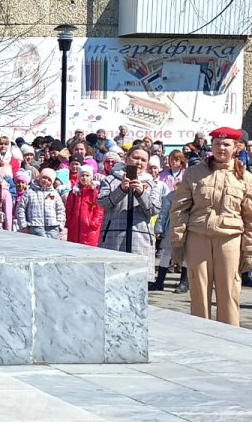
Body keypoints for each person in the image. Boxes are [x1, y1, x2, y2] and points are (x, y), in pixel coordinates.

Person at [168, 127, 252, 325]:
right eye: (217, 144)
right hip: (198, 238)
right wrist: (177, 241)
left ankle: (229, 341)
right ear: (211, 146)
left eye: (226, 145)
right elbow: (179, 209)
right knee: (198, 292)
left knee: (229, 293)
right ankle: (200, 340)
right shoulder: (194, 173)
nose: (221, 148)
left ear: (236, 147)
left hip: (229, 239)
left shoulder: (245, 177)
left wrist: (248, 250)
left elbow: (250, 217)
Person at [99, 145, 162, 283]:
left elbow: (154, 210)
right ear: (126, 158)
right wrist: (121, 189)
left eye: (143, 160)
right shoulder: (110, 180)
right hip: (113, 239)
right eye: (135, 158)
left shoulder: (152, 185)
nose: (139, 162)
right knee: (113, 283)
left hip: (141, 240)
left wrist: (141, 193)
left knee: (137, 285)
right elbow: (102, 203)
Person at [65, 164, 103, 246]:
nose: (84, 178)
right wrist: (69, 222)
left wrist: (94, 223)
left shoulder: (95, 192)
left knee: (89, 249)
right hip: (74, 227)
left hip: (90, 229)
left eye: (87, 175)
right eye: (82, 175)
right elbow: (68, 208)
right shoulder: (74, 192)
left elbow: (99, 209)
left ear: (91, 177)